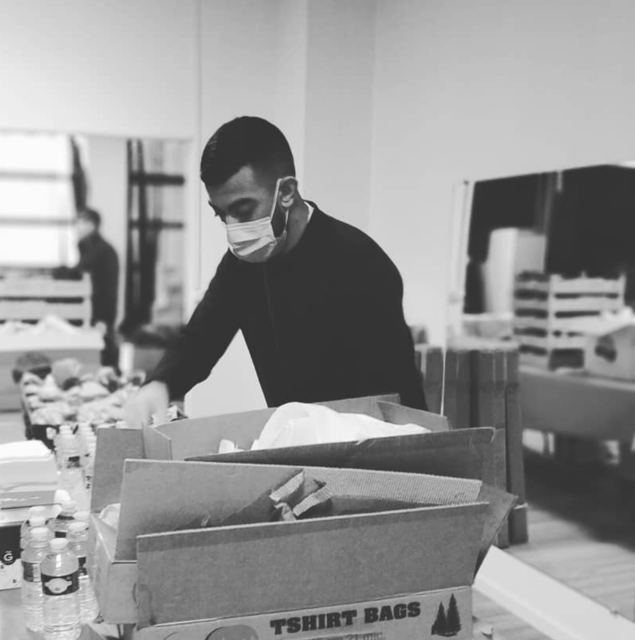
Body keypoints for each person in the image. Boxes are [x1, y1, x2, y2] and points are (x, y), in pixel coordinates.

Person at [124, 116, 425, 427]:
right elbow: (202, 337)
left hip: (368, 439)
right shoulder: (243, 265)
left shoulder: (360, 263)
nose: (232, 229)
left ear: (287, 192)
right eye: (221, 215)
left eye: (243, 210)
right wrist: (160, 384)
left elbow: (392, 398)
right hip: (297, 439)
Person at [76, 208, 121, 371]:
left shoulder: (103, 251)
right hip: (91, 311)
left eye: (82, 222)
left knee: (103, 353)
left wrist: (104, 319)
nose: (79, 226)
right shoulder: (89, 248)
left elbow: (108, 288)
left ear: (92, 224)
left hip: (99, 313)